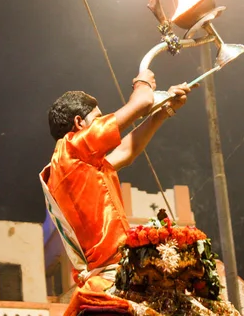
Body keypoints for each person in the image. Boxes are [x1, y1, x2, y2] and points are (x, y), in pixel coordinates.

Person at [39, 69, 196, 315]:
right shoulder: (70, 149)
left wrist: (165, 110)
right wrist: (143, 82)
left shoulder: (78, 165)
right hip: (111, 277)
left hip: (116, 274)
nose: (104, 123)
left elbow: (127, 151)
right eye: (99, 119)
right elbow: (142, 101)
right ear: (80, 123)